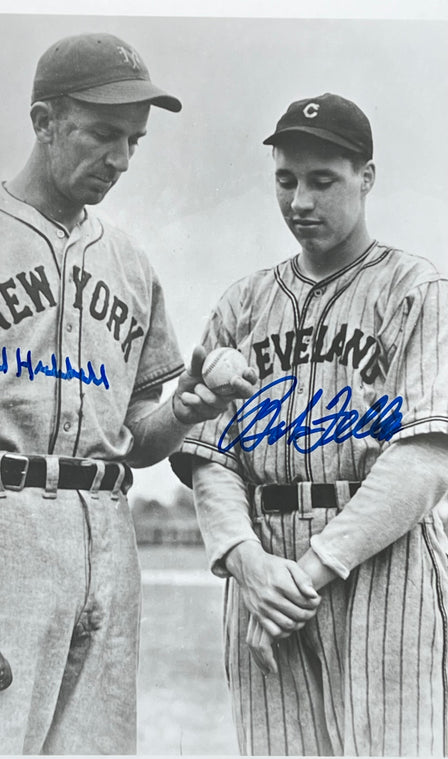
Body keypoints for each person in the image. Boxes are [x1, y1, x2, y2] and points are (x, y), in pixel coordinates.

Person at [0, 33, 254, 755]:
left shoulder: (131, 264)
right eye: (103, 134)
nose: (122, 160)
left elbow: (134, 438)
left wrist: (188, 408)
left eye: (134, 141)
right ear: (43, 121)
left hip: (108, 530)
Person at [171, 93, 448, 756]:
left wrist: (307, 573)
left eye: (323, 180)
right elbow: (212, 460)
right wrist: (251, 568)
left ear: (366, 177)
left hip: (383, 567)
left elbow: (423, 462)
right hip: (263, 567)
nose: (300, 200)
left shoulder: (416, 289)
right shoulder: (243, 302)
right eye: (286, 179)